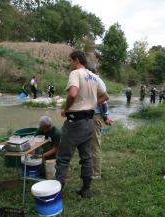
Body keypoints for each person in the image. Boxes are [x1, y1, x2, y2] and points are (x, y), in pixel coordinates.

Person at [55, 51, 108, 198]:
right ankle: (86, 189)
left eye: (70, 61)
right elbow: (105, 96)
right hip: (89, 121)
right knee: (86, 157)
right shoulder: (94, 76)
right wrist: (91, 105)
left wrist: (66, 109)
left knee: (63, 158)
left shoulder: (76, 73)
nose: (70, 63)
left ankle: (57, 192)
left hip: (74, 122)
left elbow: (72, 94)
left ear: (76, 60)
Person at [85, 61, 113, 180]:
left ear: (89, 71)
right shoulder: (92, 80)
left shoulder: (96, 80)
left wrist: (106, 117)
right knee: (91, 145)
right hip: (91, 116)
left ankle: (96, 173)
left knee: (95, 146)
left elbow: (105, 101)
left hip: (95, 117)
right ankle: (92, 169)